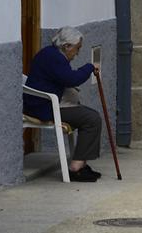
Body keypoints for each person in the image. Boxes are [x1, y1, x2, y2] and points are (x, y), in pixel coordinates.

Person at [24, 27, 103, 183]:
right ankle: (76, 167)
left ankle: (81, 163)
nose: (77, 53)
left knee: (87, 114)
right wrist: (88, 67)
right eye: (77, 49)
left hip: (43, 104)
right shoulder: (54, 58)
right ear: (67, 46)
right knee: (92, 119)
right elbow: (71, 79)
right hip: (44, 108)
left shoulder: (50, 53)